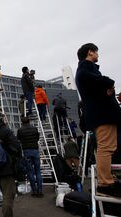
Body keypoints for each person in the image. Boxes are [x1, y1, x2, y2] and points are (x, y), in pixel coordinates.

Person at [75, 43, 121, 198]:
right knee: (106, 148)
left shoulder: (87, 70)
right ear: (90, 52)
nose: (98, 55)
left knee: (108, 147)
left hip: (102, 115)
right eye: (96, 52)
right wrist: (109, 83)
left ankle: (107, 180)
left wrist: (108, 87)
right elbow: (99, 82)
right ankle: (105, 183)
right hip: (102, 115)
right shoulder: (85, 69)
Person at [0, 111, 21, 217]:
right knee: (8, 195)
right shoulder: (5, 130)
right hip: (6, 168)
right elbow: (16, 147)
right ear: (1, 119)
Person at [16, 116, 43, 197]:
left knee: (30, 171)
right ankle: (40, 190)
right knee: (38, 170)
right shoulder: (34, 128)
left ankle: (34, 191)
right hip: (35, 150)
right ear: (29, 121)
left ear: (22, 122)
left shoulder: (20, 130)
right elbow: (37, 138)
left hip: (26, 151)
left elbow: (19, 139)